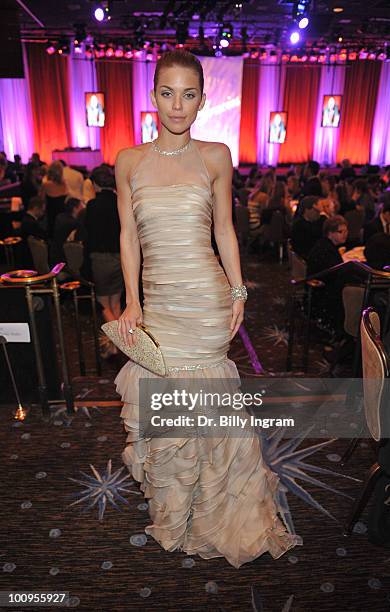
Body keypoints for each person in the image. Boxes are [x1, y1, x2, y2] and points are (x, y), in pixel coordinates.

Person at [114, 50, 298, 568]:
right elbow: (129, 236)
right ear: (153, 97)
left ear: (201, 99)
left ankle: (216, 508)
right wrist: (132, 299)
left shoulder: (216, 155)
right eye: (167, 93)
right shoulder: (128, 160)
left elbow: (224, 229)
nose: (177, 105)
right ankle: (180, 507)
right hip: (160, 303)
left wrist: (239, 290)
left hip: (206, 301)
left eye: (188, 94)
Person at [84, 165, 123, 355]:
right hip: (120, 258)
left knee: (103, 304)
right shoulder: (120, 201)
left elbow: (89, 237)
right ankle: (112, 345)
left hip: (100, 260)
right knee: (115, 303)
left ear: (95, 184)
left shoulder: (92, 206)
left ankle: (116, 344)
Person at [50, 197, 86, 266]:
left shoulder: (60, 217)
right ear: (75, 209)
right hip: (64, 260)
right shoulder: (74, 223)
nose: (83, 209)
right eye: (82, 207)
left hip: (54, 255)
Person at [40, 161, 68, 238]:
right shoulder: (64, 184)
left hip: (51, 215)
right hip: (62, 215)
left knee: (51, 236)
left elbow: (41, 201)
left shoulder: (46, 185)